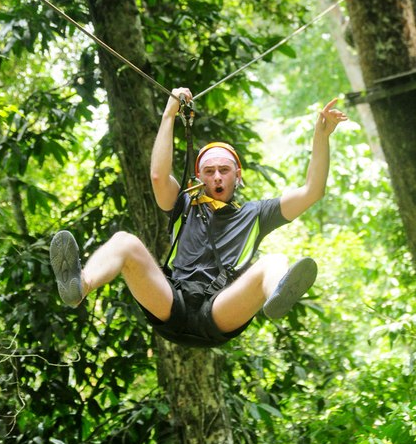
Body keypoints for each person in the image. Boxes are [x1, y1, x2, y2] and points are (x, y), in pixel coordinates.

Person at [50, 87, 348, 347]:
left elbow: (312, 191)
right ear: (198, 177)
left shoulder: (257, 213)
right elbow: (157, 176)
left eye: (224, 170)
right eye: (209, 171)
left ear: (237, 176)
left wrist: (321, 137)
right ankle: (80, 284)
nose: (217, 177)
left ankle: (276, 295)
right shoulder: (184, 203)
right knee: (124, 242)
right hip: (171, 304)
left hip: (219, 312)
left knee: (274, 260)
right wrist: (169, 115)